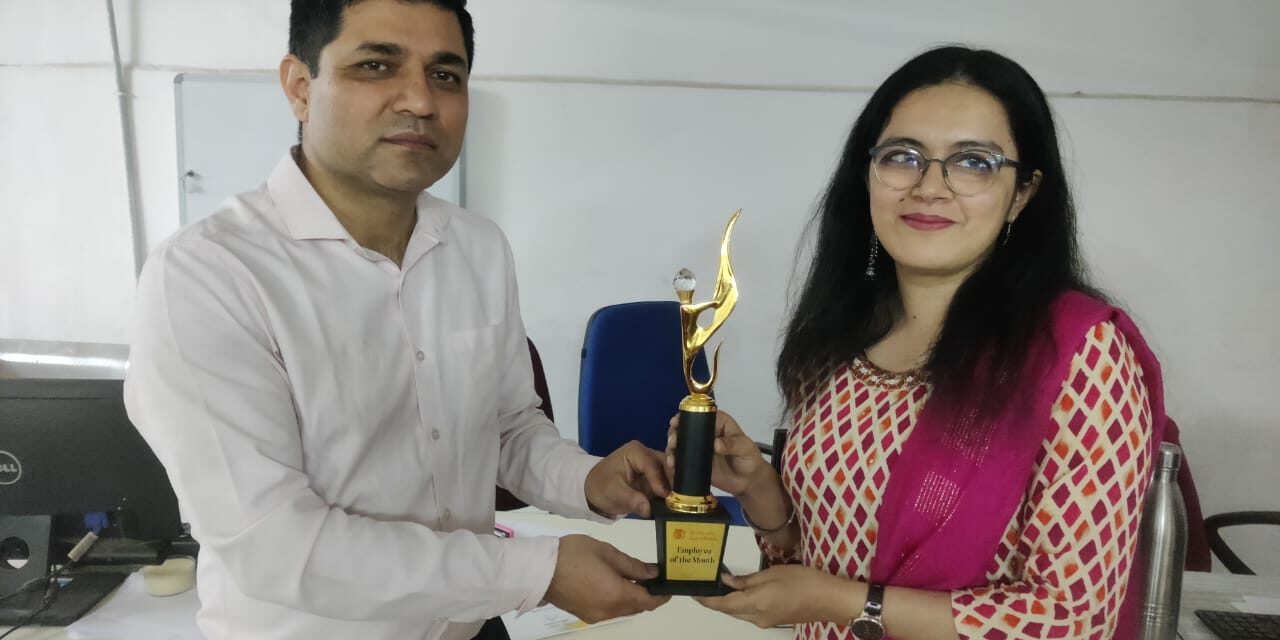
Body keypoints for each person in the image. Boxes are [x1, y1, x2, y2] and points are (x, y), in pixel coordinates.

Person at [124, 1, 670, 639]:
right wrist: (537, 570)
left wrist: (590, 480)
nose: (420, 100)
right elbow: (275, 545)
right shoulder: (208, 274)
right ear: (300, 87)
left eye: (446, 75)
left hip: (468, 624)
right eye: (376, 65)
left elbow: (508, 428)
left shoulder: (477, 247)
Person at [675, 46, 1174, 639]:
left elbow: (1070, 620)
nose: (929, 187)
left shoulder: (1078, 356)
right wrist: (761, 491)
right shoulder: (838, 339)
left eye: (973, 162)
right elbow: (814, 566)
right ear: (867, 175)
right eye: (902, 157)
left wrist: (842, 602)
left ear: (1023, 192)